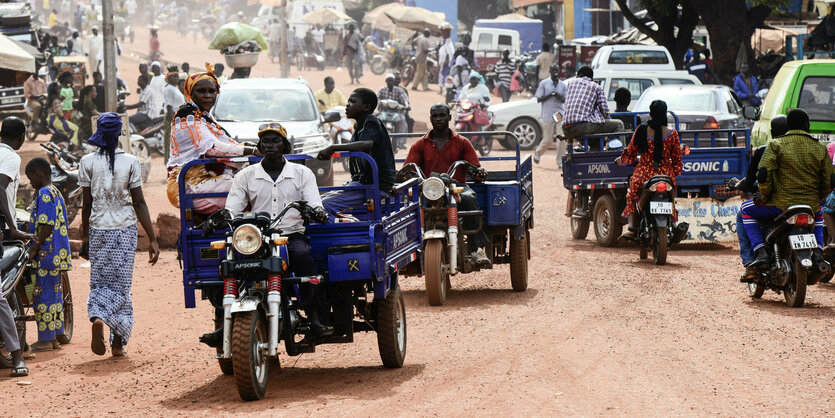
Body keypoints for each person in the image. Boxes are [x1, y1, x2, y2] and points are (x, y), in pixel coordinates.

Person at [221, 123, 332, 338]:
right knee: (228, 266)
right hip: (257, 238)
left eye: (276, 141)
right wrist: (225, 217)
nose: (270, 145)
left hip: (291, 235)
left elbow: (315, 203)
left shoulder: (303, 173)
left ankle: (315, 317)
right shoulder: (245, 175)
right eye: (265, 141)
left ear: (285, 145)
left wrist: (316, 211)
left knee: (304, 261)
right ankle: (224, 320)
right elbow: (232, 209)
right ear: (259, 146)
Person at [79, 113, 159, 357]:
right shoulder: (132, 162)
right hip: (124, 231)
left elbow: (87, 204)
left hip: (98, 229)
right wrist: (152, 238)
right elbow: (139, 203)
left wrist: (85, 238)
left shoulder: (87, 161)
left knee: (100, 282)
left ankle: (99, 318)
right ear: (120, 134)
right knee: (121, 287)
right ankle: (117, 343)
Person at [740, 109, 833, 270]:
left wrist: (764, 195)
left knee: (745, 210)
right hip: (810, 205)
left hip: (779, 205)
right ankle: (817, 253)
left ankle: (760, 252)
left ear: (788, 125)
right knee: (818, 215)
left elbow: (763, 175)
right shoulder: (820, 148)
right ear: (807, 125)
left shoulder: (776, 145)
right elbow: (829, 181)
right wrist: (819, 196)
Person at [402, 103, 492, 266]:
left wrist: (478, 173)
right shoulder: (421, 144)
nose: (438, 119)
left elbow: (475, 169)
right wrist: (405, 176)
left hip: (457, 187)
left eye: (442, 115)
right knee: (410, 205)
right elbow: (408, 168)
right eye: (434, 116)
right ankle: (409, 249)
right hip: (430, 188)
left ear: (449, 117)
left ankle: (477, 248)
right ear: (430, 118)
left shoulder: (462, 142)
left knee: (469, 199)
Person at [166, 63, 259, 213]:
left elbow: (223, 144)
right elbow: (213, 148)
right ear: (190, 93)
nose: (208, 95)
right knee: (249, 185)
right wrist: (252, 150)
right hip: (189, 183)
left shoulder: (204, 116)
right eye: (201, 91)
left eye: (212, 91)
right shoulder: (188, 117)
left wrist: (244, 146)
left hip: (208, 178)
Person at [316, 88, 396, 220]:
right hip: (362, 182)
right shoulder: (358, 127)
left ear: (366, 107)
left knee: (324, 206)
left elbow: (366, 145)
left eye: (352, 101)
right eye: (348, 101)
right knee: (317, 202)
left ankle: (334, 236)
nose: (347, 105)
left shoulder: (371, 121)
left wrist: (333, 147)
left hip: (374, 184)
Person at [23, 157, 71, 352]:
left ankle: (45, 338)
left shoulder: (43, 193)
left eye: (30, 178)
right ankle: (53, 337)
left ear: (39, 174)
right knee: (55, 294)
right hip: (56, 253)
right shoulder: (55, 191)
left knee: (42, 295)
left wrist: (34, 248)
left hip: (46, 254)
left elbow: (47, 224)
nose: (30, 182)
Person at [617, 100, 683, 240]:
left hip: (644, 174)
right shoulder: (673, 133)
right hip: (666, 175)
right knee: (671, 198)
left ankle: (632, 227)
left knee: (631, 194)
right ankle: (674, 224)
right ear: (665, 113)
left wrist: (623, 159)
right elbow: (677, 158)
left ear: (651, 113)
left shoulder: (641, 129)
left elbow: (631, 151)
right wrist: (676, 172)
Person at [732, 115, 788, 279]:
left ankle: (752, 260)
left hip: (775, 203)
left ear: (771, 132)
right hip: (805, 202)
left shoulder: (765, 150)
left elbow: (754, 180)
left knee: (744, 212)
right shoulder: (806, 149)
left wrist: (756, 189)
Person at [0, 117, 30, 377]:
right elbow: (0, 188)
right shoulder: (10, 158)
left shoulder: (7, 157)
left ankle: (17, 352)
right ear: (21, 136)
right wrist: (12, 227)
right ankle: (17, 353)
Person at [562, 66, 624, 144]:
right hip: (582, 127)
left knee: (596, 139)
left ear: (580, 74)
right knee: (618, 124)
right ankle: (622, 154)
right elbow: (605, 111)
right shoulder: (596, 86)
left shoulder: (570, 83)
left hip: (566, 129)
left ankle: (594, 151)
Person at [532, 63, 567, 166]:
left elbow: (565, 99)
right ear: (550, 71)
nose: (555, 72)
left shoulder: (562, 85)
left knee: (561, 137)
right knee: (548, 139)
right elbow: (538, 99)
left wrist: (559, 96)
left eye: (557, 70)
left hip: (558, 114)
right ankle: (538, 153)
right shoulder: (544, 83)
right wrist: (550, 95)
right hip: (547, 114)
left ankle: (560, 161)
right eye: (553, 70)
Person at [163, 71, 185, 163]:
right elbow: (169, 107)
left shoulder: (174, 88)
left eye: (177, 76)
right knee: (171, 143)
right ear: (168, 78)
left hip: (178, 118)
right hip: (172, 118)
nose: (176, 78)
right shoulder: (169, 89)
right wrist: (174, 122)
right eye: (173, 77)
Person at [24, 67, 48, 132]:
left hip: (42, 100)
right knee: (37, 106)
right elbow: (26, 94)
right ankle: (34, 122)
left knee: (48, 107)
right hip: (32, 100)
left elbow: (45, 92)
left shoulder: (42, 81)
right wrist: (34, 97)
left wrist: (44, 96)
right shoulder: (28, 81)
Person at [437, 23, 455, 94]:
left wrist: (443, 63)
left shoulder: (448, 44)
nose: (442, 32)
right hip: (444, 64)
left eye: (443, 31)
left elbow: (449, 55)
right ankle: (442, 89)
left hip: (447, 64)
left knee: (445, 76)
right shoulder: (445, 42)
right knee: (442, 76)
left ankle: (445, 90)